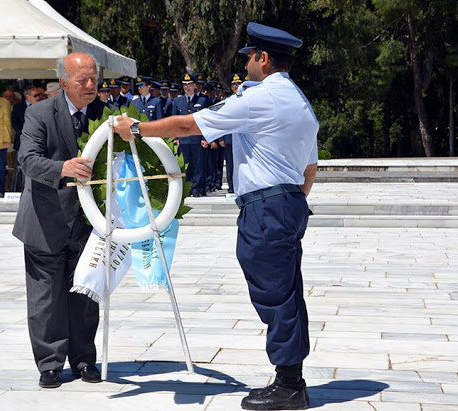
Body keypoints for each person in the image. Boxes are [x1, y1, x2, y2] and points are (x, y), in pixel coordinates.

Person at [114, 22, 318, 410]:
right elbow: (310, 168)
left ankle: (289, 385)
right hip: (288, 202)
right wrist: (287, 201)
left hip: (266, 207)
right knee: (286, 292)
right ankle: (290, 378)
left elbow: (187, 124)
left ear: (264, 58)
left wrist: (136, 129)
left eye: (250, 58)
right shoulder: (298, 101)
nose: (246, 66)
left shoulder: (261, 98)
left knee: (275, 295)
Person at [12, 52, 102, 389]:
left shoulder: (106, 114)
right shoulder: (38, 113)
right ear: (63, 82)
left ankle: (84, 360)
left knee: (85, 294)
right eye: (82, 80)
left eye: (94, 78)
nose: (91, 85)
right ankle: (50, 364)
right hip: (45, 220)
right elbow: (28, 160)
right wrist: (62, 168)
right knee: (46, 297)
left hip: (87, 223)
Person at [172, 73, 208, 197]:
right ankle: (187, 188)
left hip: (197, 138)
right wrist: (176, 137)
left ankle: (197, 188)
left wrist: (205, 138)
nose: (187, 87)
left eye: (189, 85)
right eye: (185, 85)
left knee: (198, 164)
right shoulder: (177, 101)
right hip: (184, 140)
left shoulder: (202, 100)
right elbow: (174, 121)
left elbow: (206, 121)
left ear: (194, 86)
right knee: (186, 164)